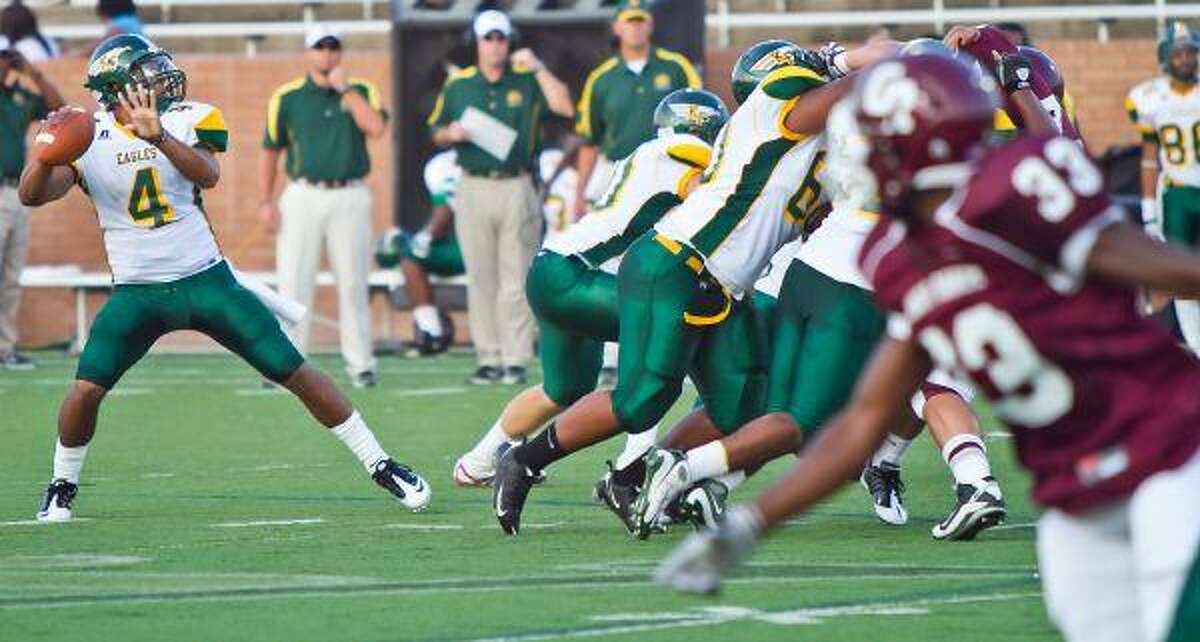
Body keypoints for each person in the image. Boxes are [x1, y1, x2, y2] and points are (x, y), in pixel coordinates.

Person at [654, 54, 1200, 642]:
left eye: (874, 135)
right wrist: (750, 526)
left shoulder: (1017, 188)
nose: (857, 149)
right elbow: (863, 420)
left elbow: (1159, 265)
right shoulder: (895, 260)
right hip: (1072, 491)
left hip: (1169, 451)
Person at [490, 38, 897, 536]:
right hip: (676, 264)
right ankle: (524, 461)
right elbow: (869, 76)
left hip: (723, 287)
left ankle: (637, 475)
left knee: (744, 402)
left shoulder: (817, 149)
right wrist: (854, 60)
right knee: (642, 398)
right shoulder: (775, 105)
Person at [20, 34, 430, 522]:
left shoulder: (187, 117)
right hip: (136, 291)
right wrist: (44, 154)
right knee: (86, 388)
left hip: (206, 280)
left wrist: (159, 138)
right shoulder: (89, 136)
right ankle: (62, 484)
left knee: (293, 370)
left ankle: (381, 464)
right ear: (118, 85)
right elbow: (32, 196)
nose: (161, 77)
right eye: (146, 71)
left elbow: (208, 174)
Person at [632, 38, 1008, 542]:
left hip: (805, 272)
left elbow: (871, 70)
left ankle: (708, 484)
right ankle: (686, 469)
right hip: (850, 285)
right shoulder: (871, 121)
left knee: (782, 412)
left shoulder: (844, 122)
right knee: (805, 425)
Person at [452, 88, 726, 488]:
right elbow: (719, 183)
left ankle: (477, 461)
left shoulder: (646, 154)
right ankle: (631, 473)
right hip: (578, 275)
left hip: (555, 268)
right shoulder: (682, 151)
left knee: (562, 389)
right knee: (662, 341)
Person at [427, 9, 574, 386]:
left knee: (516, 275)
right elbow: (436, 131)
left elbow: (565, 106)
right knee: (481, 276)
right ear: (477, 43)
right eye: (489, 39)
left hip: (517, 183)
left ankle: (515, 358)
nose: (496, 46)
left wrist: (539, 68)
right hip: (474, 183)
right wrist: (452, 133)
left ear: (510, 42)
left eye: (501, 39)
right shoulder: (459, 85)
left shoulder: (526, 80)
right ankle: (488, 356)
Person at [260, 25, 388, 388]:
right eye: (320, 47)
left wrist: (344, 89)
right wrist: (265, 201)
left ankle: (361, 364)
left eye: (333, 47)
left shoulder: (361, 90)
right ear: (308, 53)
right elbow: (271, 150)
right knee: (294, 282)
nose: (327, 54)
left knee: (353, 282)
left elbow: (376, 128)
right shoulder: (287, 96)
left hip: (350, 193)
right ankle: (286, 363)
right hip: (303, 194)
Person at [573, 0, 701, 220]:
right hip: (619, 171)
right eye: (629, 22)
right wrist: (579, 194)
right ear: (616, 28)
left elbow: (700, 120)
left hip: (668, 169)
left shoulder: (677, 67)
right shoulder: (601, 79)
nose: (635, 28)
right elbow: (589, 141)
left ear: (650, 26)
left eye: (641, 21)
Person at [1127, 21, 1200, 354]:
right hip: (1178, 191)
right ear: (1165, 57)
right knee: (1178, 278)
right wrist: (1149, 213)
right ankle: (1196, 347)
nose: (1186, 58)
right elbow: (1149, 159)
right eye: (1179, 52)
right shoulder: (1150, 97)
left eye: (1191, 52)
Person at [0, 42, 62, 370]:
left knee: (10, 276)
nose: (4, 64)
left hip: (14, 193)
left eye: (7, 59)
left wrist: (33, 73)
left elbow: (58, 110)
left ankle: (5, 348)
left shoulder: (19, 97)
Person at [376, 150, 463, 357]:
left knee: (411, 253)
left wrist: (426, 236)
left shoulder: (447, 165)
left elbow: (444, 212)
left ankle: (431, 332)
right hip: (461, 244)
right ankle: (431, 329)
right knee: (410, 257)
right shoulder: (442, 163)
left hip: (477, 244)